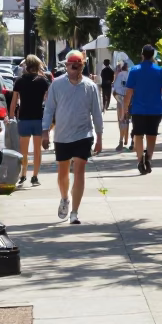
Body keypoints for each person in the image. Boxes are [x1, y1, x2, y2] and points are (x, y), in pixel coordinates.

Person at [42, 49, 104, 224]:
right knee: (63, 174)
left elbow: (97, 113)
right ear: (67, 66)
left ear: (82, 66)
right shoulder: (57, 85)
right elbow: (49, 110)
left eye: (78, 66)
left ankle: (75, 212)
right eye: (71, 65)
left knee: (79, 171)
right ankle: (64, 198)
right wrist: (45, 131)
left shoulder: (90, 86)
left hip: (84, 135)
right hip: (62, 135)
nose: (74, 69)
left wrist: (99, 137)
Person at [125, 44, 162, 174]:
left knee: (138, 135)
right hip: (155, 109)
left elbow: (128, 92)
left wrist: (125, 108)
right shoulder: (160, 71)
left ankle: (140, 159)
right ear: (153, 56)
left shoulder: (134, 70)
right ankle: (149, 158)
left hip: (138, 109)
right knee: (152, 135)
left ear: (142, 54)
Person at [11, 54, 50, 187]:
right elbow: (49, 101)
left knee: (24, 151)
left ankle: (23, 174)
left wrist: (11, 116)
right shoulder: (43, 81)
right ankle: (35, 176)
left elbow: (14, 101)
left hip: (24, 118)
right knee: (37, 150)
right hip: (38, 118)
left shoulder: (20, 81)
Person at [114, 61, 131, 151]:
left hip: (120, 99)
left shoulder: (120, 75)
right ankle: (127, 139)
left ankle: (121, 140)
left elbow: (115, 88)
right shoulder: (131, 74)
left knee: (121, 120)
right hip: (130, 99)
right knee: (127, 120)